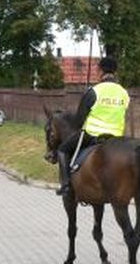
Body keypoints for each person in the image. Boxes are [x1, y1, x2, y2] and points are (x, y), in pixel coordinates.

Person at [55, 57, 130, 195]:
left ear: (100, 70)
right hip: (117, 138)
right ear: (115, 72)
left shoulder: (94, 91)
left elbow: (79, 121)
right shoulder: (124, 93)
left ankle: (66, 186)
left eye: (97, 69)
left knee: (62, 150)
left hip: (93, 135)